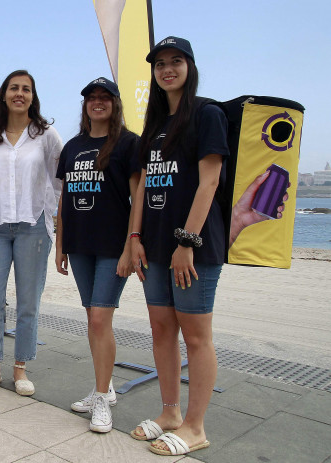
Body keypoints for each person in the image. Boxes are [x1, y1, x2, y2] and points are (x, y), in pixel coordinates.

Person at [129, 37, 229, 456]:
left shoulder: (207, 114)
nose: (167, 69)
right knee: (161, 329)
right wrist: (134, 239)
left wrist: (186, 243)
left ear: (190, 66)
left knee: (197, 336)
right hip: (153, 246)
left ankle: (195, 426)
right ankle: (170, 413)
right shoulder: (153, 126)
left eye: (176, 61)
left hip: (194, 248)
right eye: (160, 64)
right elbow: (145, 187)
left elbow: (210, 181)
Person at [55, 78, 140, 432]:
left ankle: (102, 397)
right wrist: (60, 244)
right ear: (85, 105)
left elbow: (139, 198)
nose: (98, 103)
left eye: (105, 98)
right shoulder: (73, 147)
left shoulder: (128, 143)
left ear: (115, 104)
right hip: (80, 246)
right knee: (94, 318)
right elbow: (64, 199)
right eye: (92, 98)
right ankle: (102, 387)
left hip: (113, 247)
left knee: (99, 321)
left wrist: (132, 244)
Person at [0, 70, 62, 396]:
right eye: (14, 88)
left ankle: (20, 367)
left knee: (28, 302)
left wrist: (46, 212)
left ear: (32, 96)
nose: (19, 93)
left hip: (33, 226)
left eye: (26, 89)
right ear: (5, 94)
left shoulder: (46, 135)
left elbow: (59, 177)